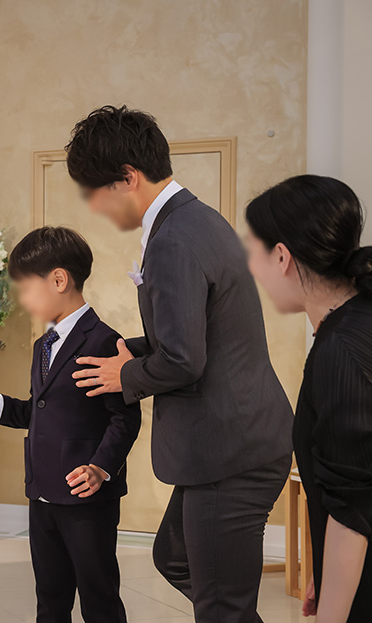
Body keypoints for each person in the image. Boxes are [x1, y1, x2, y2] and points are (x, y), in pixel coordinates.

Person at [64, 105, 293, 622]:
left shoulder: (172, 240)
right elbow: (199, 332)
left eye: (95, 192)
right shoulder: (198, 218)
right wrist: (129, 350)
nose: (94, 206)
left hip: (229, 449)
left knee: (221, 606)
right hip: (240, 435)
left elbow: (184, 360)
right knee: (175, 558)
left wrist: (122, 375)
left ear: (128, 177)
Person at [0, 226, 141, 623]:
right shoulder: (44, 345)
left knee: (99, 597)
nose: (23, 300)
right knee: (49, 595)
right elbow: (40, 410)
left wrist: (100, 468)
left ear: (59, 280)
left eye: (27, 289)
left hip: (86, 495)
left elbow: (125, 417)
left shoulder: (104, 342)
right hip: (42, 491)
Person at [245, 174, 372, 623]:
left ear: (281, 256)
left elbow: (353, 509)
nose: (253, 269)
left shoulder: (341, 350)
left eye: (254, 254)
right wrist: (326, 567)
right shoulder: (354, 322)